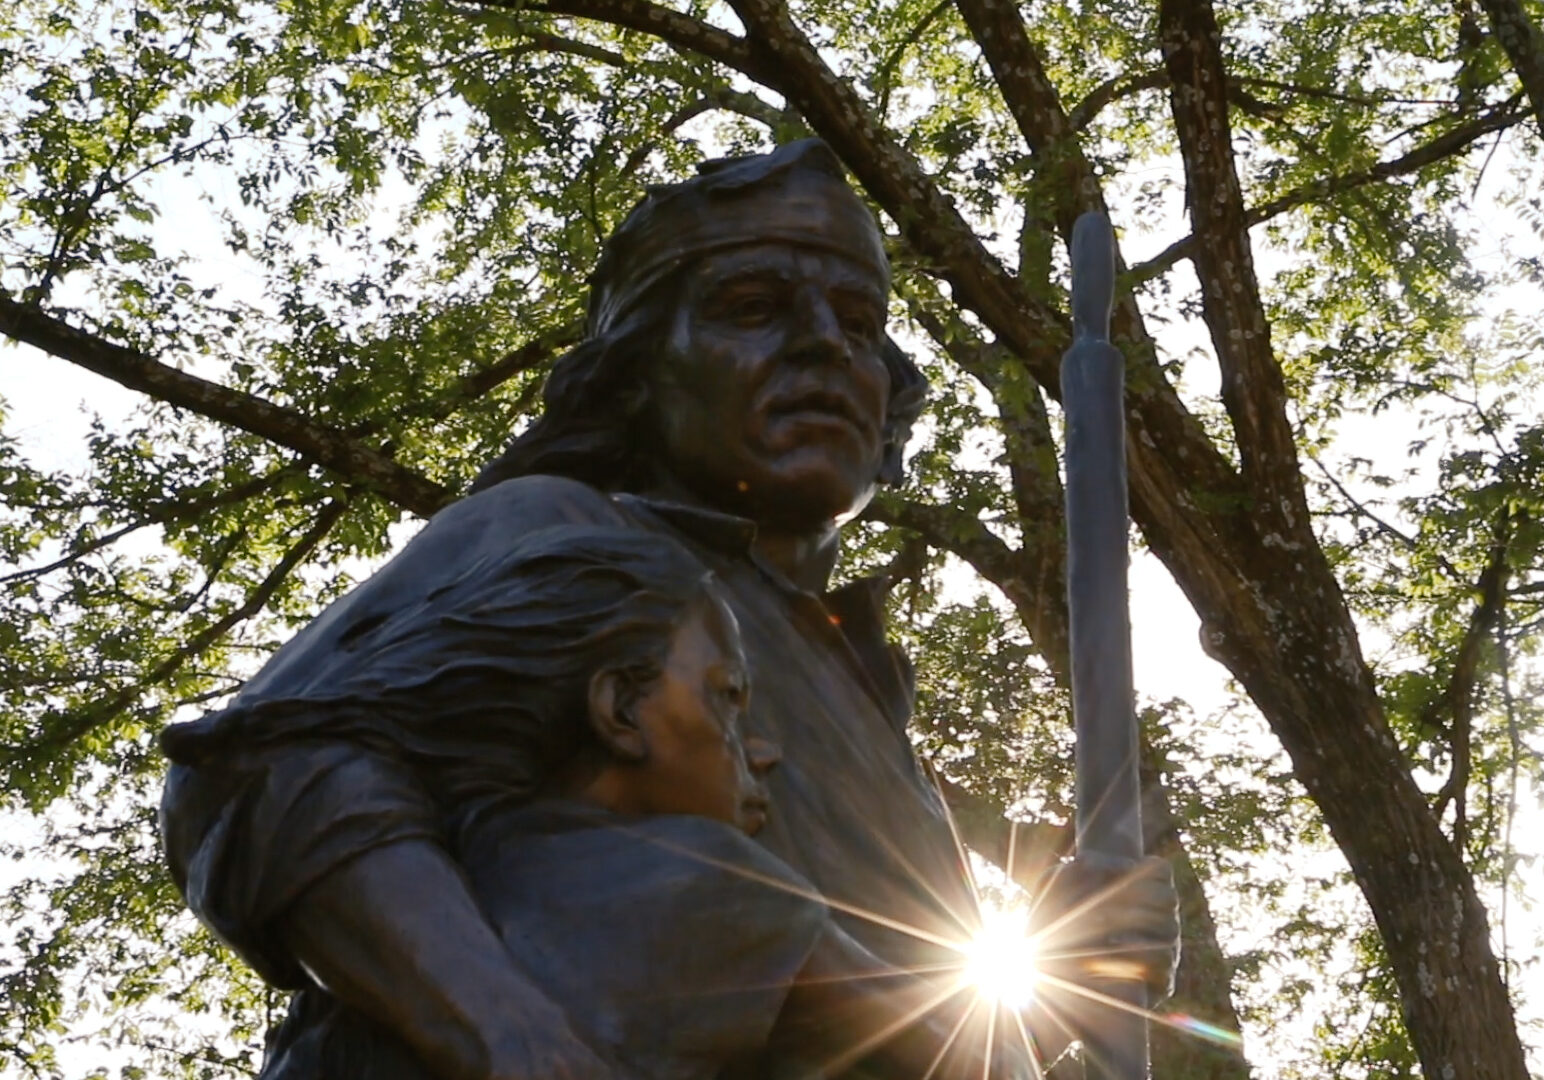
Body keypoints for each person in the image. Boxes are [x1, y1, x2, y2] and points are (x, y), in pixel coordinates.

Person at [159, 138, 1178, 1080]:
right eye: (751, 306)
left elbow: (884, 1033)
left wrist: (1055, 1001)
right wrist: (507, 1033)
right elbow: (264, 772)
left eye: (858, 324)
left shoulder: (856, 691)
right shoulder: (563, 529)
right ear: (642, 371)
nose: (824, 345)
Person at [163, 526, 1034, 1078]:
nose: (763, 748)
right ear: (618, 708)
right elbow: (953, 1055)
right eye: (729, 699)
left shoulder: (444, 894)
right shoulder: (712, 888)